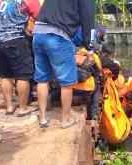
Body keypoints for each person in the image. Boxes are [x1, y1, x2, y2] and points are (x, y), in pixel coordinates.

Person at [32, 0, 95, 128]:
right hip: (58, 36)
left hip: (38, 33)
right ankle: (66, 119)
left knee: (42, 79)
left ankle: (43, 118)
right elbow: (88, 22)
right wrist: (90, 50)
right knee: (67, 82)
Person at [0, 0, 38, 116]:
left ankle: (10, 106)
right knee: (23, 75)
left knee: (4, 75)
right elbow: (41, 17)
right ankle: (23, 108)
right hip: (15, 39)